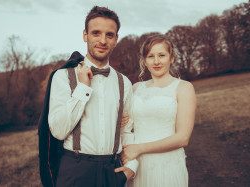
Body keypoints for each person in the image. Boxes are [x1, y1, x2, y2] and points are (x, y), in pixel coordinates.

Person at [48, 6, 137, 187]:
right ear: (85, 35)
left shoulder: (124, 83)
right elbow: (57, 130)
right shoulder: (63, 77)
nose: (102, 40)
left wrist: (131, 167)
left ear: (116, 39)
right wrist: (82, 89)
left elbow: (127, 130)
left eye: (109, 35)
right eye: (96, 33)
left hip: (112, 171)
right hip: (75, 169)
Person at [121, 34, 196, 186]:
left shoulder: (183, 88)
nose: (156, 61)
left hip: (167, 164)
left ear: (172, 58)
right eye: (150, 56)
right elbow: (128, 127)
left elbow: (183, 138)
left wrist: (139, 149)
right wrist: (122, 121)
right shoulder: (136, 88)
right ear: (144, 61)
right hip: (137, 164)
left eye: (161, 55)